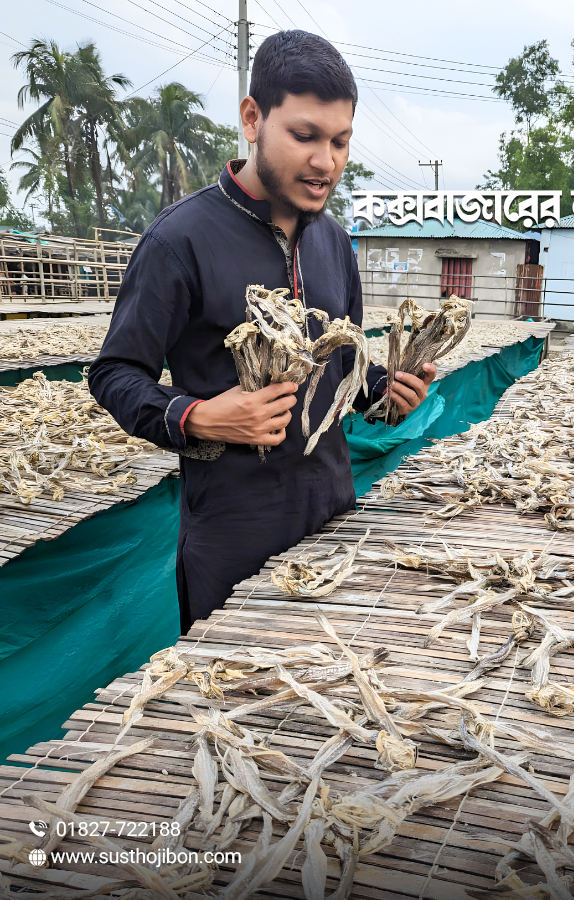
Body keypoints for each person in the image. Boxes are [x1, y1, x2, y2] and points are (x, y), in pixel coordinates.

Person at [88, 31, 435, 634]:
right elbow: (114, 373)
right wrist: (198, 417)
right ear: (253, 118)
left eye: (340, 141)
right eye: (305, 136)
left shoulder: (332, 241)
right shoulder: (180, 240)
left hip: (331, 511)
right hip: (232, 533)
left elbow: (339, 368)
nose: (326, 161)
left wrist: (384, 392)